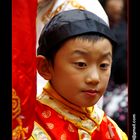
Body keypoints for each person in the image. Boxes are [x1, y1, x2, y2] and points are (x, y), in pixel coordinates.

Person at [28, 9, 128, 140]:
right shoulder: (26, 129)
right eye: (81, 64)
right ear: (45, 67)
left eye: (103, 65)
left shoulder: (112, 130)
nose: (94, 78)